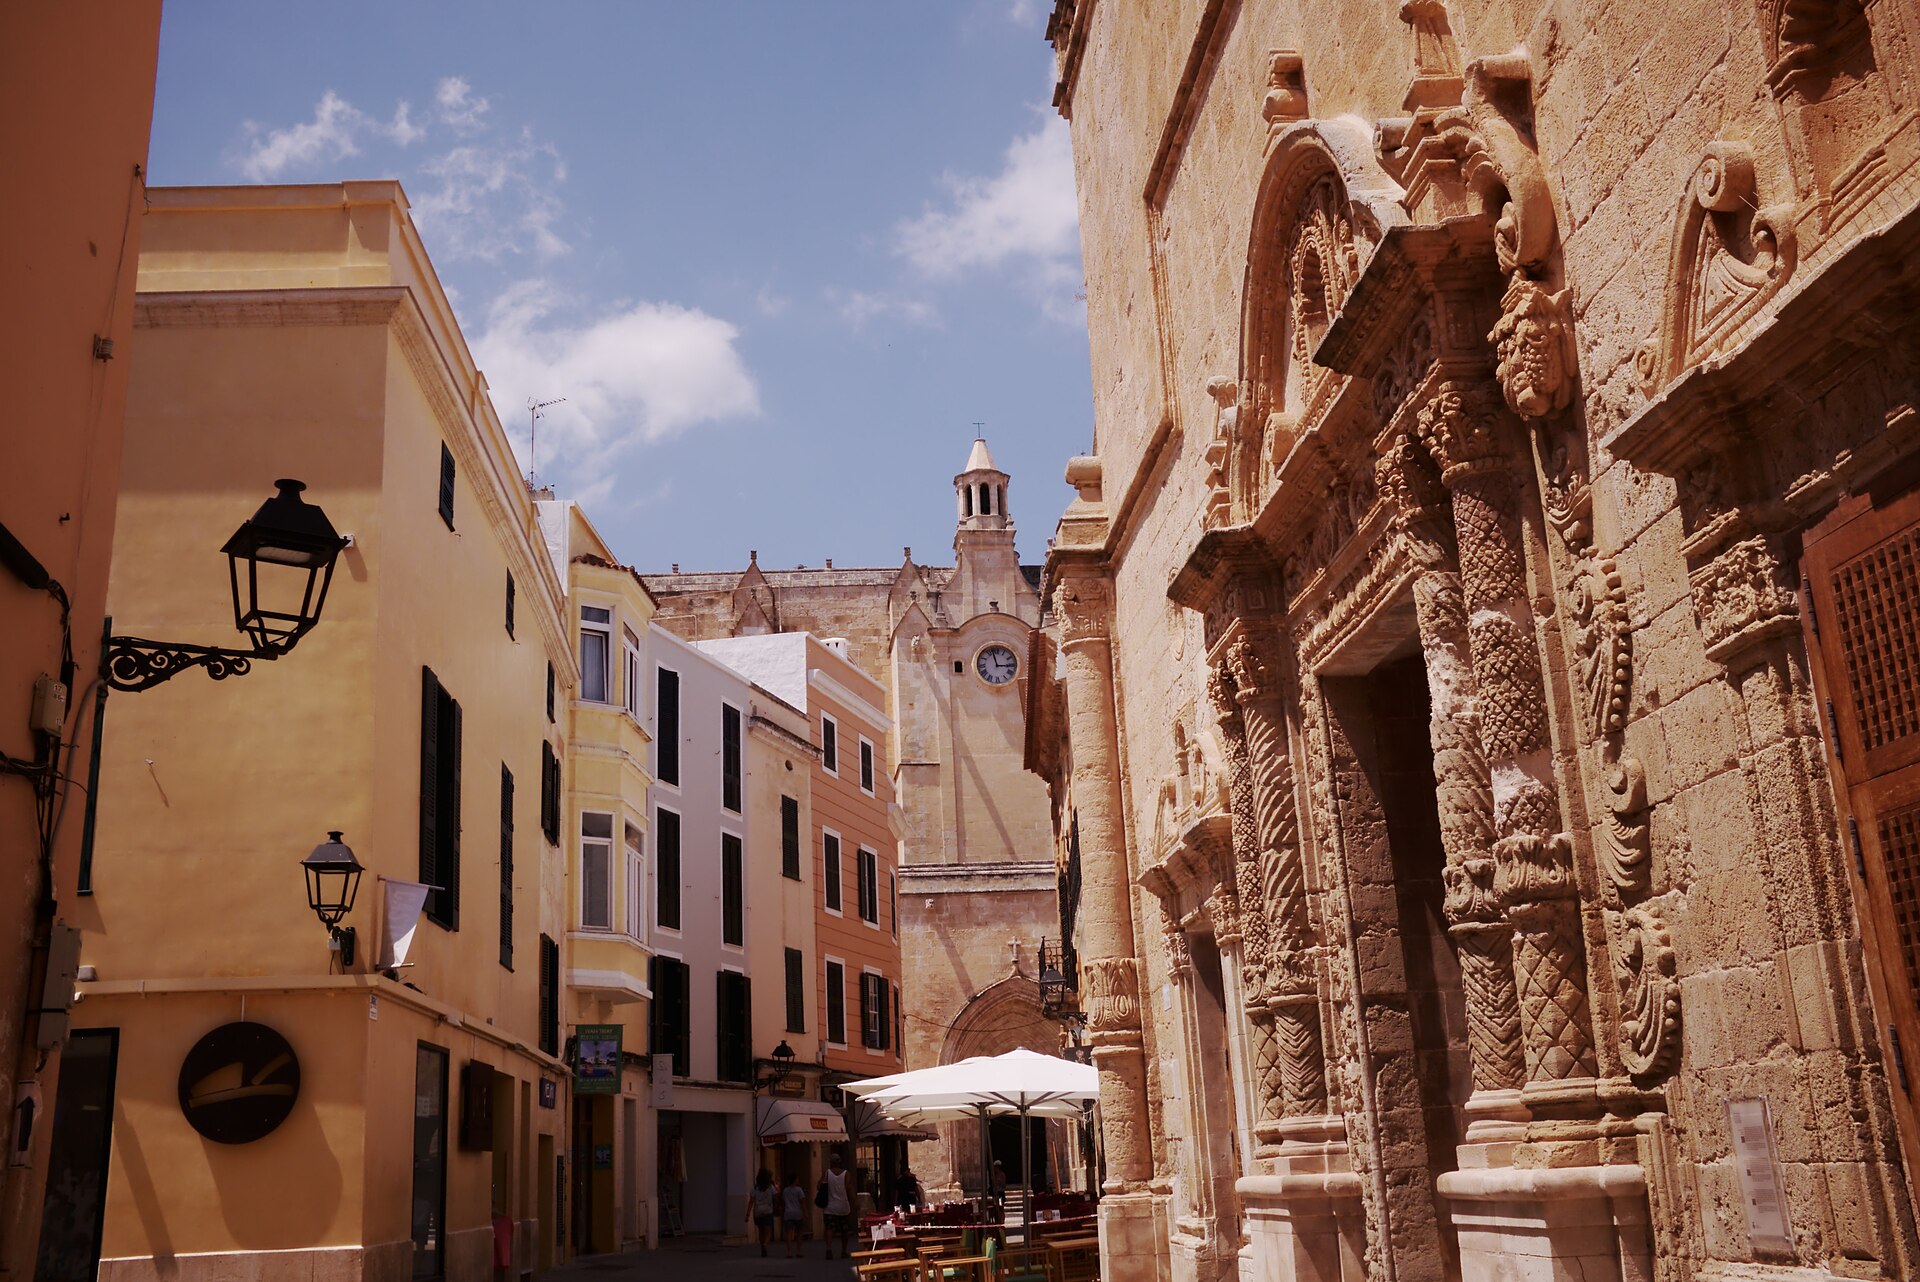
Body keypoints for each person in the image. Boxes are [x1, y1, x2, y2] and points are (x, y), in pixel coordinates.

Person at [821, 1151, 853, 1259]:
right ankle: (844, 1251)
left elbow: (819, 1186)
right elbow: (849, 1188)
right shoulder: (846, 1174)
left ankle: (829, 1249)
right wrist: (855, 1201)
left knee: (829, 1228)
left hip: (830, 1207)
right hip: (843, 1206)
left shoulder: (827, 1173)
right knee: (844, 1230)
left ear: (831, 1162)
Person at [746, 1170, 776, 1257]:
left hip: (758, 1212)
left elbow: (751, 1202)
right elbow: (775, 1198)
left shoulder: (755, 1188)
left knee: (761, 1231)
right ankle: (765, 1244)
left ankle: (762, 1244)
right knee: (768, 1232)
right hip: (768, 1211)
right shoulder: (770, 1187)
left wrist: (747, 1215)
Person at [779, 1170, 807, 1258]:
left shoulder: (785, 1191)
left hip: (788, 1213)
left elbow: (783, 1202)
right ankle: (798, 1251)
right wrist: (806, 1213)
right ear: (795, 1180)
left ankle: (789, 1252)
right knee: (799, 1233)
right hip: (798, 1213)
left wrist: (781, 1213)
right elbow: (802, 1202)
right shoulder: (799, 1190)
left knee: (789, 1234)